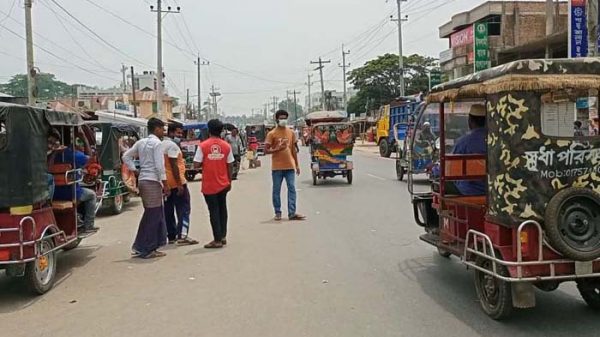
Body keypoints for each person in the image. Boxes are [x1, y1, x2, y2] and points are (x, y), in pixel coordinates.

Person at [123, 118, 169, 259]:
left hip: (144, 180)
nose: (163, 131)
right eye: (162, 128)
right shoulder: (157, 144)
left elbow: (126, 156)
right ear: (156, 129)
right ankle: (146, 248)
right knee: (153, 215)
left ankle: (148, 246)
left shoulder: (141, 142)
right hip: (152, 181)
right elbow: (159, 166)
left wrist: (135, 169)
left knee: (153, 214)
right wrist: (165, 183)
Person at [193, 119, 234, 249]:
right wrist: (229, 180)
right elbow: (230, 164)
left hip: (209, 185)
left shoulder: (203, 146)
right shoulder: (226, 146)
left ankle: (217, 239)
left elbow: (196, 164)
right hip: (223, 183)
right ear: (221, 130)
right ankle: (223, 236)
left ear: (208, 130)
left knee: (214, 211)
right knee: (223, 209)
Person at [52, 135, 98, 234]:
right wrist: (85, 139)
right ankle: (88, 226)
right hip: (70, 193)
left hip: (52, 193)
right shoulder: (72, 154)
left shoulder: (51, 154)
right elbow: (90, 159)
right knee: (92, 195)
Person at [265, 110, 306, 221]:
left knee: (292, 188)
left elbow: (293, 150)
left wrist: (297, 165)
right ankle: (278, 212)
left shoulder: (291, 133)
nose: (283, 120)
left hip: (290, 166)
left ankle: (292, 212)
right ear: (277, 119)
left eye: (285, 118)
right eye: (281, 118)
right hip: (277, 167)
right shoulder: (271, 134)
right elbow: (266, 150)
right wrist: (277, 149)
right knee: (276, 190)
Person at [163, 122, 198, 245]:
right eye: (178, 133)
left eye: (181, 133)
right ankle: (182, 235)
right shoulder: (172, 146)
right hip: (177, 182)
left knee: (168, 211)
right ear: (171, 132)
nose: (180, 135)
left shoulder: (160, 145)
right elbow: (174, 165)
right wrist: (179, 183)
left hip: (165, 183)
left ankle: (171, 236)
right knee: (184, 209)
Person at [445, 104, 487, 196]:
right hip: (495, 189)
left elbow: (450, 169)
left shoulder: (463, 142)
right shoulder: (498, 140)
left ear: (470, 121)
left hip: (469, 190)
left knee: (439, 184)